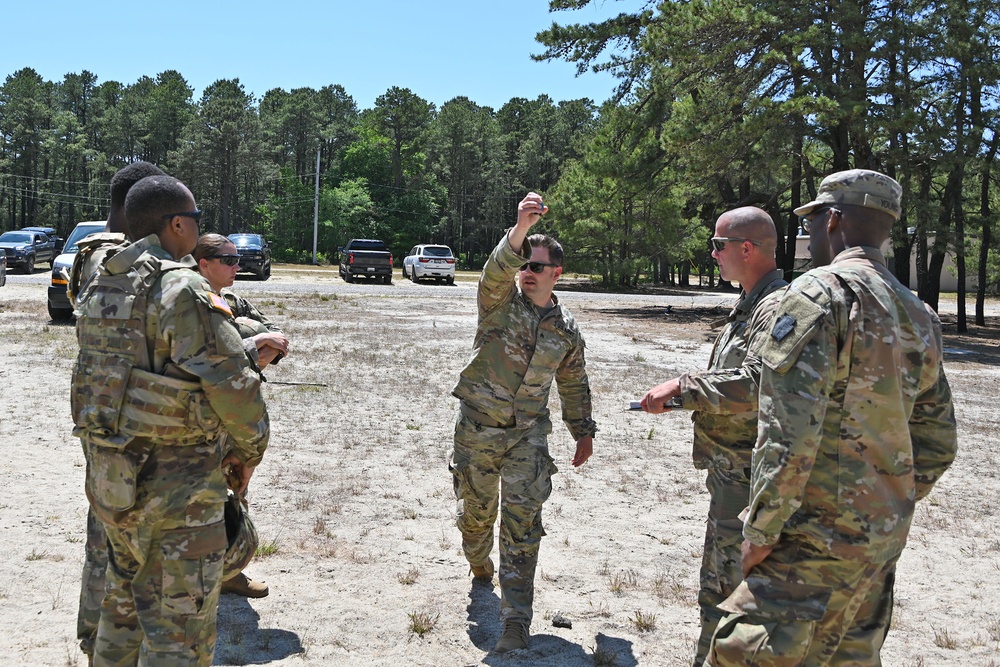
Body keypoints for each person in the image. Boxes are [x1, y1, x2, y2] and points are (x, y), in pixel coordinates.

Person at [708, 170, 958, 665]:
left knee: (741, 654)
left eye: (814, 219)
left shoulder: (819, 295)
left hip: (812, 538)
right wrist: (884, 499)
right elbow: (938, 440)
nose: (809, 233)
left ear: (835, 220)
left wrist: (760, 532)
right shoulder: (916, 311)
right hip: (880, 539)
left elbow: (788, 432)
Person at [72, 174, 270, 666]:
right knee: (179, 632)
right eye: (197, 219)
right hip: (176, 495)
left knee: (120, 615)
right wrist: (248, 454)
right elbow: (234, 388)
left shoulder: (104, 280)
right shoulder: (181, 286)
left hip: (114, 481)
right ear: (178, 224)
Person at [450, 191, 597, 654]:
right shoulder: (498, 302)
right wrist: (519, 229)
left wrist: (583, 430)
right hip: (478, 429)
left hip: (528, 436)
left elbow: (573, 383)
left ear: (556, 274)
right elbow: (497, 269)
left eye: (537, 267)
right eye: (524, 265)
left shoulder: (566, 329)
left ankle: (516, 619)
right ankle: (478, 563)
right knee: (476, 518)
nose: (527, 274)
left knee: (523, 524)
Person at [640, 207, 787, 666]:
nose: (712, 253)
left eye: (718, 245)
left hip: (747, 477)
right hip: (730, 473)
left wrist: (684, 388)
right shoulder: (750, 304)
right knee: (718, 589)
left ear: (747, 248)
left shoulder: (776, 307)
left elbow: (760, 381)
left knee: (728, 595)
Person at [74, 161, 166, 660]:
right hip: (129, 426)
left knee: (104, 533)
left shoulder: (90, 255)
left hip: (99, 417)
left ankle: (95, 632)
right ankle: (106, 638)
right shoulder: (118, 261)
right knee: (121, 543)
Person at [193, 232, 289, 598]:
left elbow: (273, 336)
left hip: (232, 414)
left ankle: (229, 571)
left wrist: (261, 347)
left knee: (235, 492)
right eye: (228, 260)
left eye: (237, 260)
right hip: (205, 416)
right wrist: (252, 348)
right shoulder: (192, 305)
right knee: (204, 498)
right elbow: (209, 360)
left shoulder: (231, 299)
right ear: (203, 263)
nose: (237, 266)